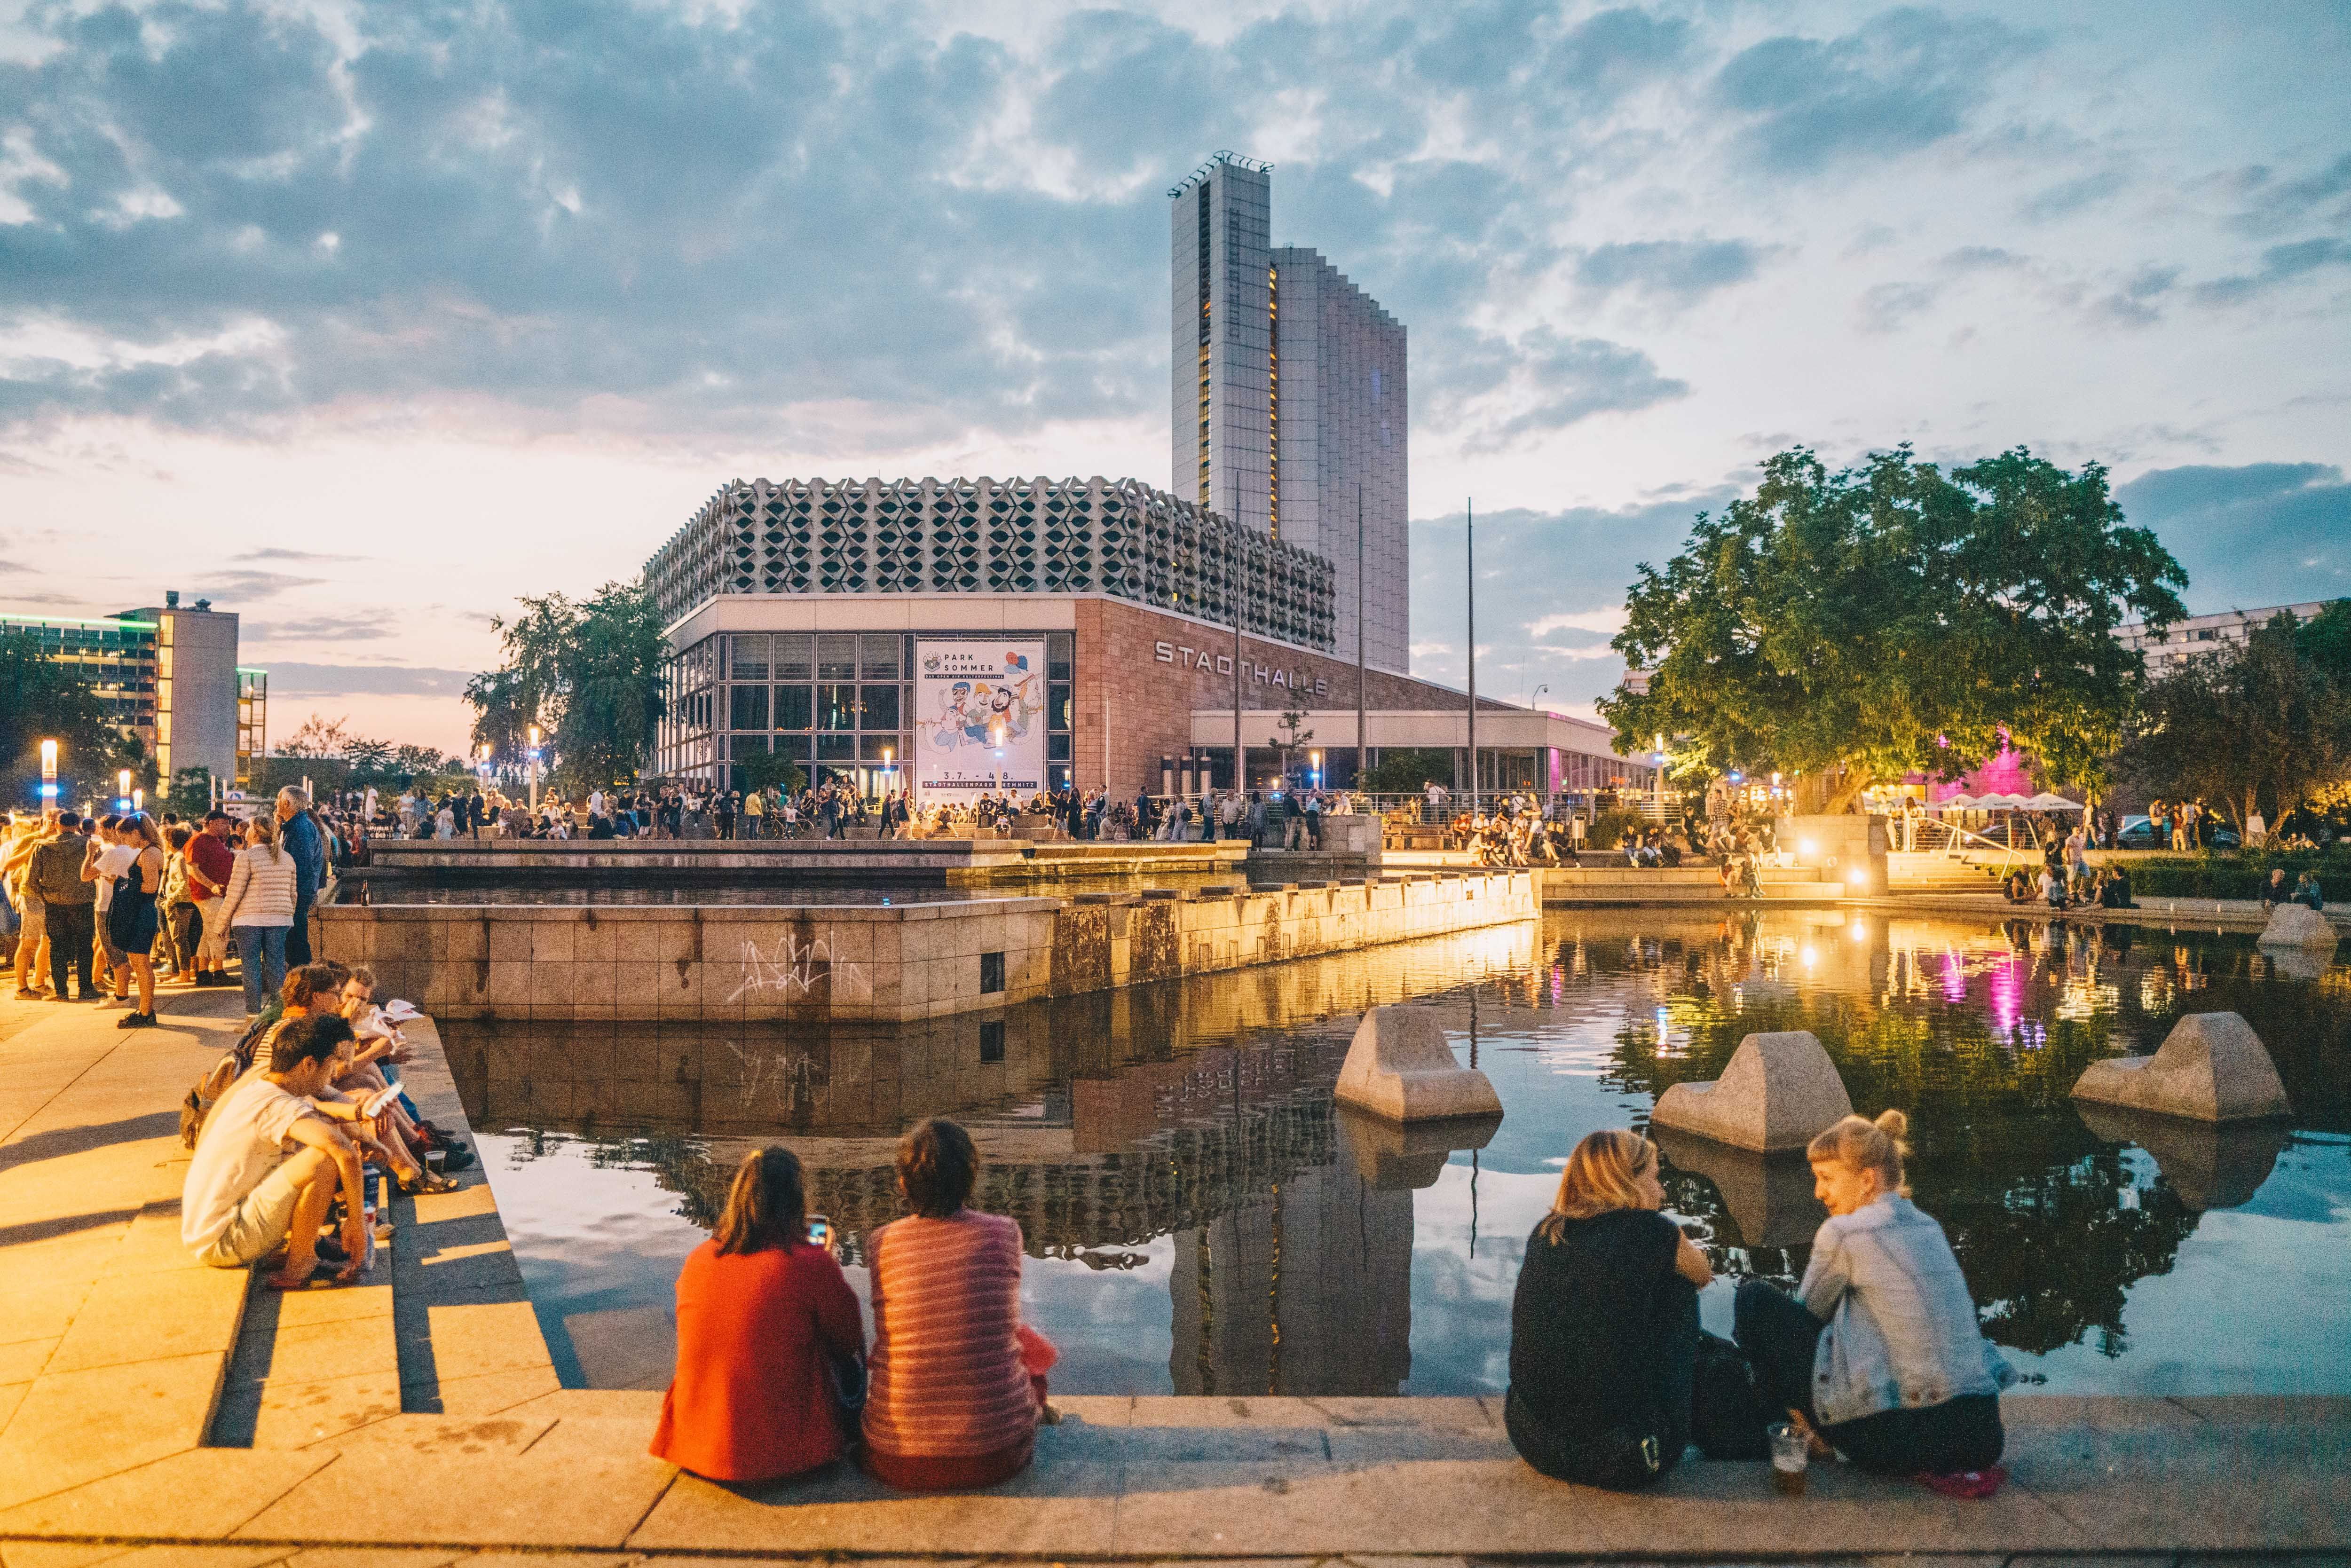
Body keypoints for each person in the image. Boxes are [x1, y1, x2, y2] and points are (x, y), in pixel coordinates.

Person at [1733, 1111, 2014, 1482]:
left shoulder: (1844, 1232)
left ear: (1866, 1180)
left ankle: (1798, 1431)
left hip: (1902, 1441)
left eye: (1827, 1179)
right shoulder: (1929, 1226)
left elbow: (1806, 1320)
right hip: (1982, 1435)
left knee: (1755, 1300)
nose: (1818, 1192)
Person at [1505, 1131, 1712, 1490]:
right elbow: (1703, 1274)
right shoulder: (1653, 1231)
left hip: (1531, 1439)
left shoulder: (1547, 1231)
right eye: (1655, 1176)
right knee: (1679, 1288)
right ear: (1627, 1180)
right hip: (1625, 1459)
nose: (1662, 1191)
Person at [649, 1147, 866, 1484]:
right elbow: (849, 1338)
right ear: (796, 1201)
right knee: (844, 1352)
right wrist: (828, 1267)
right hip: (788, 1456)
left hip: (694, 1449)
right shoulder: (809, 1264)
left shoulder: (698, 1260)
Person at [861, 1118, 1057, 1491]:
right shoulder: (1004, 1232)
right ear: (971, 1177)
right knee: (1022, 1343)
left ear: (904, 1184)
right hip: (996, 1454)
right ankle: (1037, 1410)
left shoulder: (881, 1242)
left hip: (894, 1456)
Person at [181, 1013, 369, 1289]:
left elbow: (325, 1119)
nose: (334, 1073)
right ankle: (300, 1265)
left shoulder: (264, 1087)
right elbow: (345, 1153)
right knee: (325, 1158)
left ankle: (306, 1246)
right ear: (308, 1064)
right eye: (331, 1065)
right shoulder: (277, 1105)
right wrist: (357, 1222)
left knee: (319, 1146)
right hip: (223, 1240)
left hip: (216, 1229)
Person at [219, 814, 299, 1019]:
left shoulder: (245, 858)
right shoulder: (287, 858)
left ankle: (253, 1018)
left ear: (252, 833)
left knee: (251, 967)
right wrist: (288, 914)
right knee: (276, 967)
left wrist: (221, 924)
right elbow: (293, 894)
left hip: (248, 920)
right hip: (280, 919)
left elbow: (234, 894)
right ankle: (277, 1016)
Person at [101, 813, 166, 1028]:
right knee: (140, 963)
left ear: (136, 833)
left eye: (125, 837)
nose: (125, 842)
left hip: (142, 914)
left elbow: (149, 887)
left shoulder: (149, 854)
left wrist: (125, 884)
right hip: (142, 912)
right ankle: (145, 1010)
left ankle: (146, 1012)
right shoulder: (151, 852)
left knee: (142, 964)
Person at [28, 811, 98, 1001]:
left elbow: (31, 880)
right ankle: (86, 988)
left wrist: (45, 897)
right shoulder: (88, 845)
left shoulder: (42, 846)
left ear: (58, 825)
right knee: (84, 945)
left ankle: (61, 992)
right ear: (78, 826)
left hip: (54, 903)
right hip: (83, 902)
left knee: (57, 947)